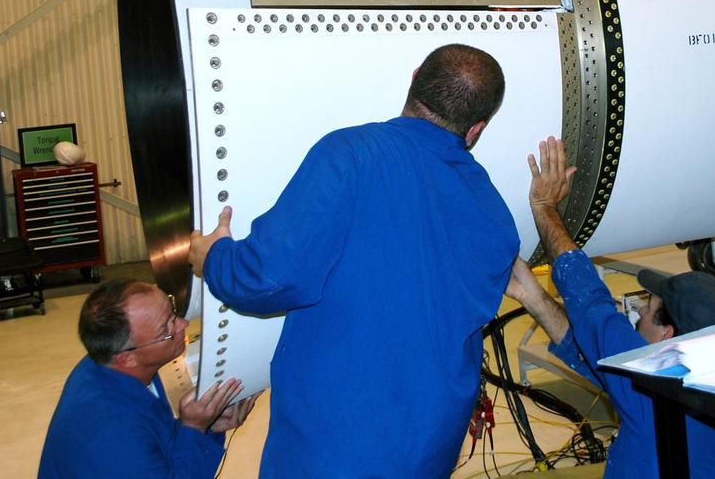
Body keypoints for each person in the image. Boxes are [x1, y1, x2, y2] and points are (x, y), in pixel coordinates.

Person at [188, 43, 520, 478]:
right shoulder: (495, 213)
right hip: (431, 442)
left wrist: (213, 256)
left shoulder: (351, 154)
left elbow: (266, 278)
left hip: (336, 443)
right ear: (476, 129)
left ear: (415, 74)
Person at [508, 136, 715, 478]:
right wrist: (535, 298)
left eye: (647, 308)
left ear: (668, 335)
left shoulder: (655, 393)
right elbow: (600, 360)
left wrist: (545, 207)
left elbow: (592, 305)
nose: (637, 313)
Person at [38, 278, 259, 478]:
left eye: (172, 311)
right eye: (168, 328)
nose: (183, 324)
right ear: (127, 359)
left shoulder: (106, 366)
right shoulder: (113, 434)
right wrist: (194, 429)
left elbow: (157, 443)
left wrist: (209, 428)